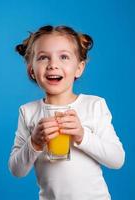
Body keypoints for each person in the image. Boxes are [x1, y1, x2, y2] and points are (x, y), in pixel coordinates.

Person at [8, 25, 125, 200]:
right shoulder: (28, 111)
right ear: (32, 70)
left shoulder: (94, 105)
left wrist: (82, 135)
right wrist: (34, 143)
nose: (53, 65)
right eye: (43, 58)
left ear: (79, 68)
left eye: (64, 57)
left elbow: (117, 159)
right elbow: (16, 170)